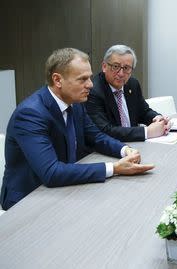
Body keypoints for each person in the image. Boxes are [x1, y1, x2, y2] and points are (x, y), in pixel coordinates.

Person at [0, 48, 154, 210]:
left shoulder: (75, 103)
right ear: (58, 80)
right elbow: (51, 172)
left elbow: (96, 137)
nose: (90, 84)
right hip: (28, 199)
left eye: (89, 77)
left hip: (64, 188)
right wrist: (114, 168)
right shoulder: (30, 114)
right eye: (82, 79)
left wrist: (125, 150)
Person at [86, 44, 171, 142]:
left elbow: (144, 112)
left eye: (126, 68)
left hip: (136, 145)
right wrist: (147, 132)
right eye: (115, 66)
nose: (121, 73)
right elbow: (105, 130)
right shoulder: (94, 91)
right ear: (104, 66)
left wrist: (158, 119)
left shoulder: (132, 84)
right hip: (108, 150)